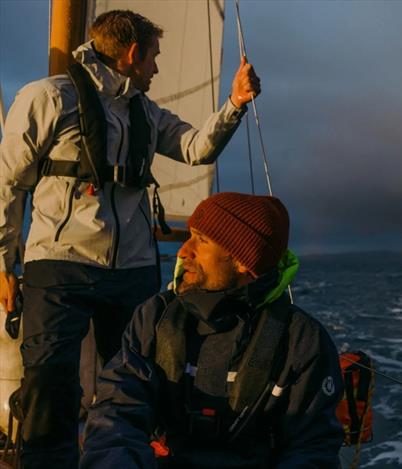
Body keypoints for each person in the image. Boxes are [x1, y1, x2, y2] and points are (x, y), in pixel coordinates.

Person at [0, 10, 260, 467]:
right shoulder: (47, 97)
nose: (157, 69)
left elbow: (197, 149)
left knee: (135, 385)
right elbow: (7, 182)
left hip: (133, 269)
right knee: (50, 386)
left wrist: (235, 104)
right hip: (61, 264)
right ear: (133, 54)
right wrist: (3, 264)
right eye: (154, 58)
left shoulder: (146, 113)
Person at [80, 192, 343, 468]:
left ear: (243, 261)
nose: (183, 251)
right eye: (190, 236)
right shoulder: (156, 317)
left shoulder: (301, 341)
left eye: (201, 241)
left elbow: (312, 448)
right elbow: (118, 409)